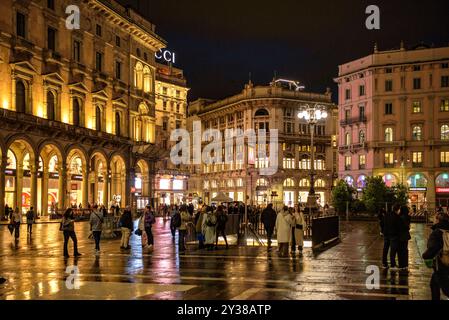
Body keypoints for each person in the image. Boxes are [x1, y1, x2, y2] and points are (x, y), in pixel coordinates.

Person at [422, 213, 449, 300]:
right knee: (434, 283)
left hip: (442, 263)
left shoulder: (437, 232)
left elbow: (432, 249)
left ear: (437, 220)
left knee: (446, 288)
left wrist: (425, 256)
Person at [382, 204, 401, 269]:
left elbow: (382, 223)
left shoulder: (387, 215)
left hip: (386, 234)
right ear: (398, 209)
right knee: (393, 250)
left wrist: (383, 231)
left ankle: (384, 263)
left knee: (385, 249)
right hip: (393, 235)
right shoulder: (397, 216)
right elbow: (398, 226)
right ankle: (392, 264)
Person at [398, 205, 411, 271]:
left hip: (400, 235)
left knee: (400, 250)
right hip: (406, 235)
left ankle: (401, 264)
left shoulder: (400, 217)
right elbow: (408, 227)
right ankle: (405, 264)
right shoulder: (408, 217)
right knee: (405, 250)